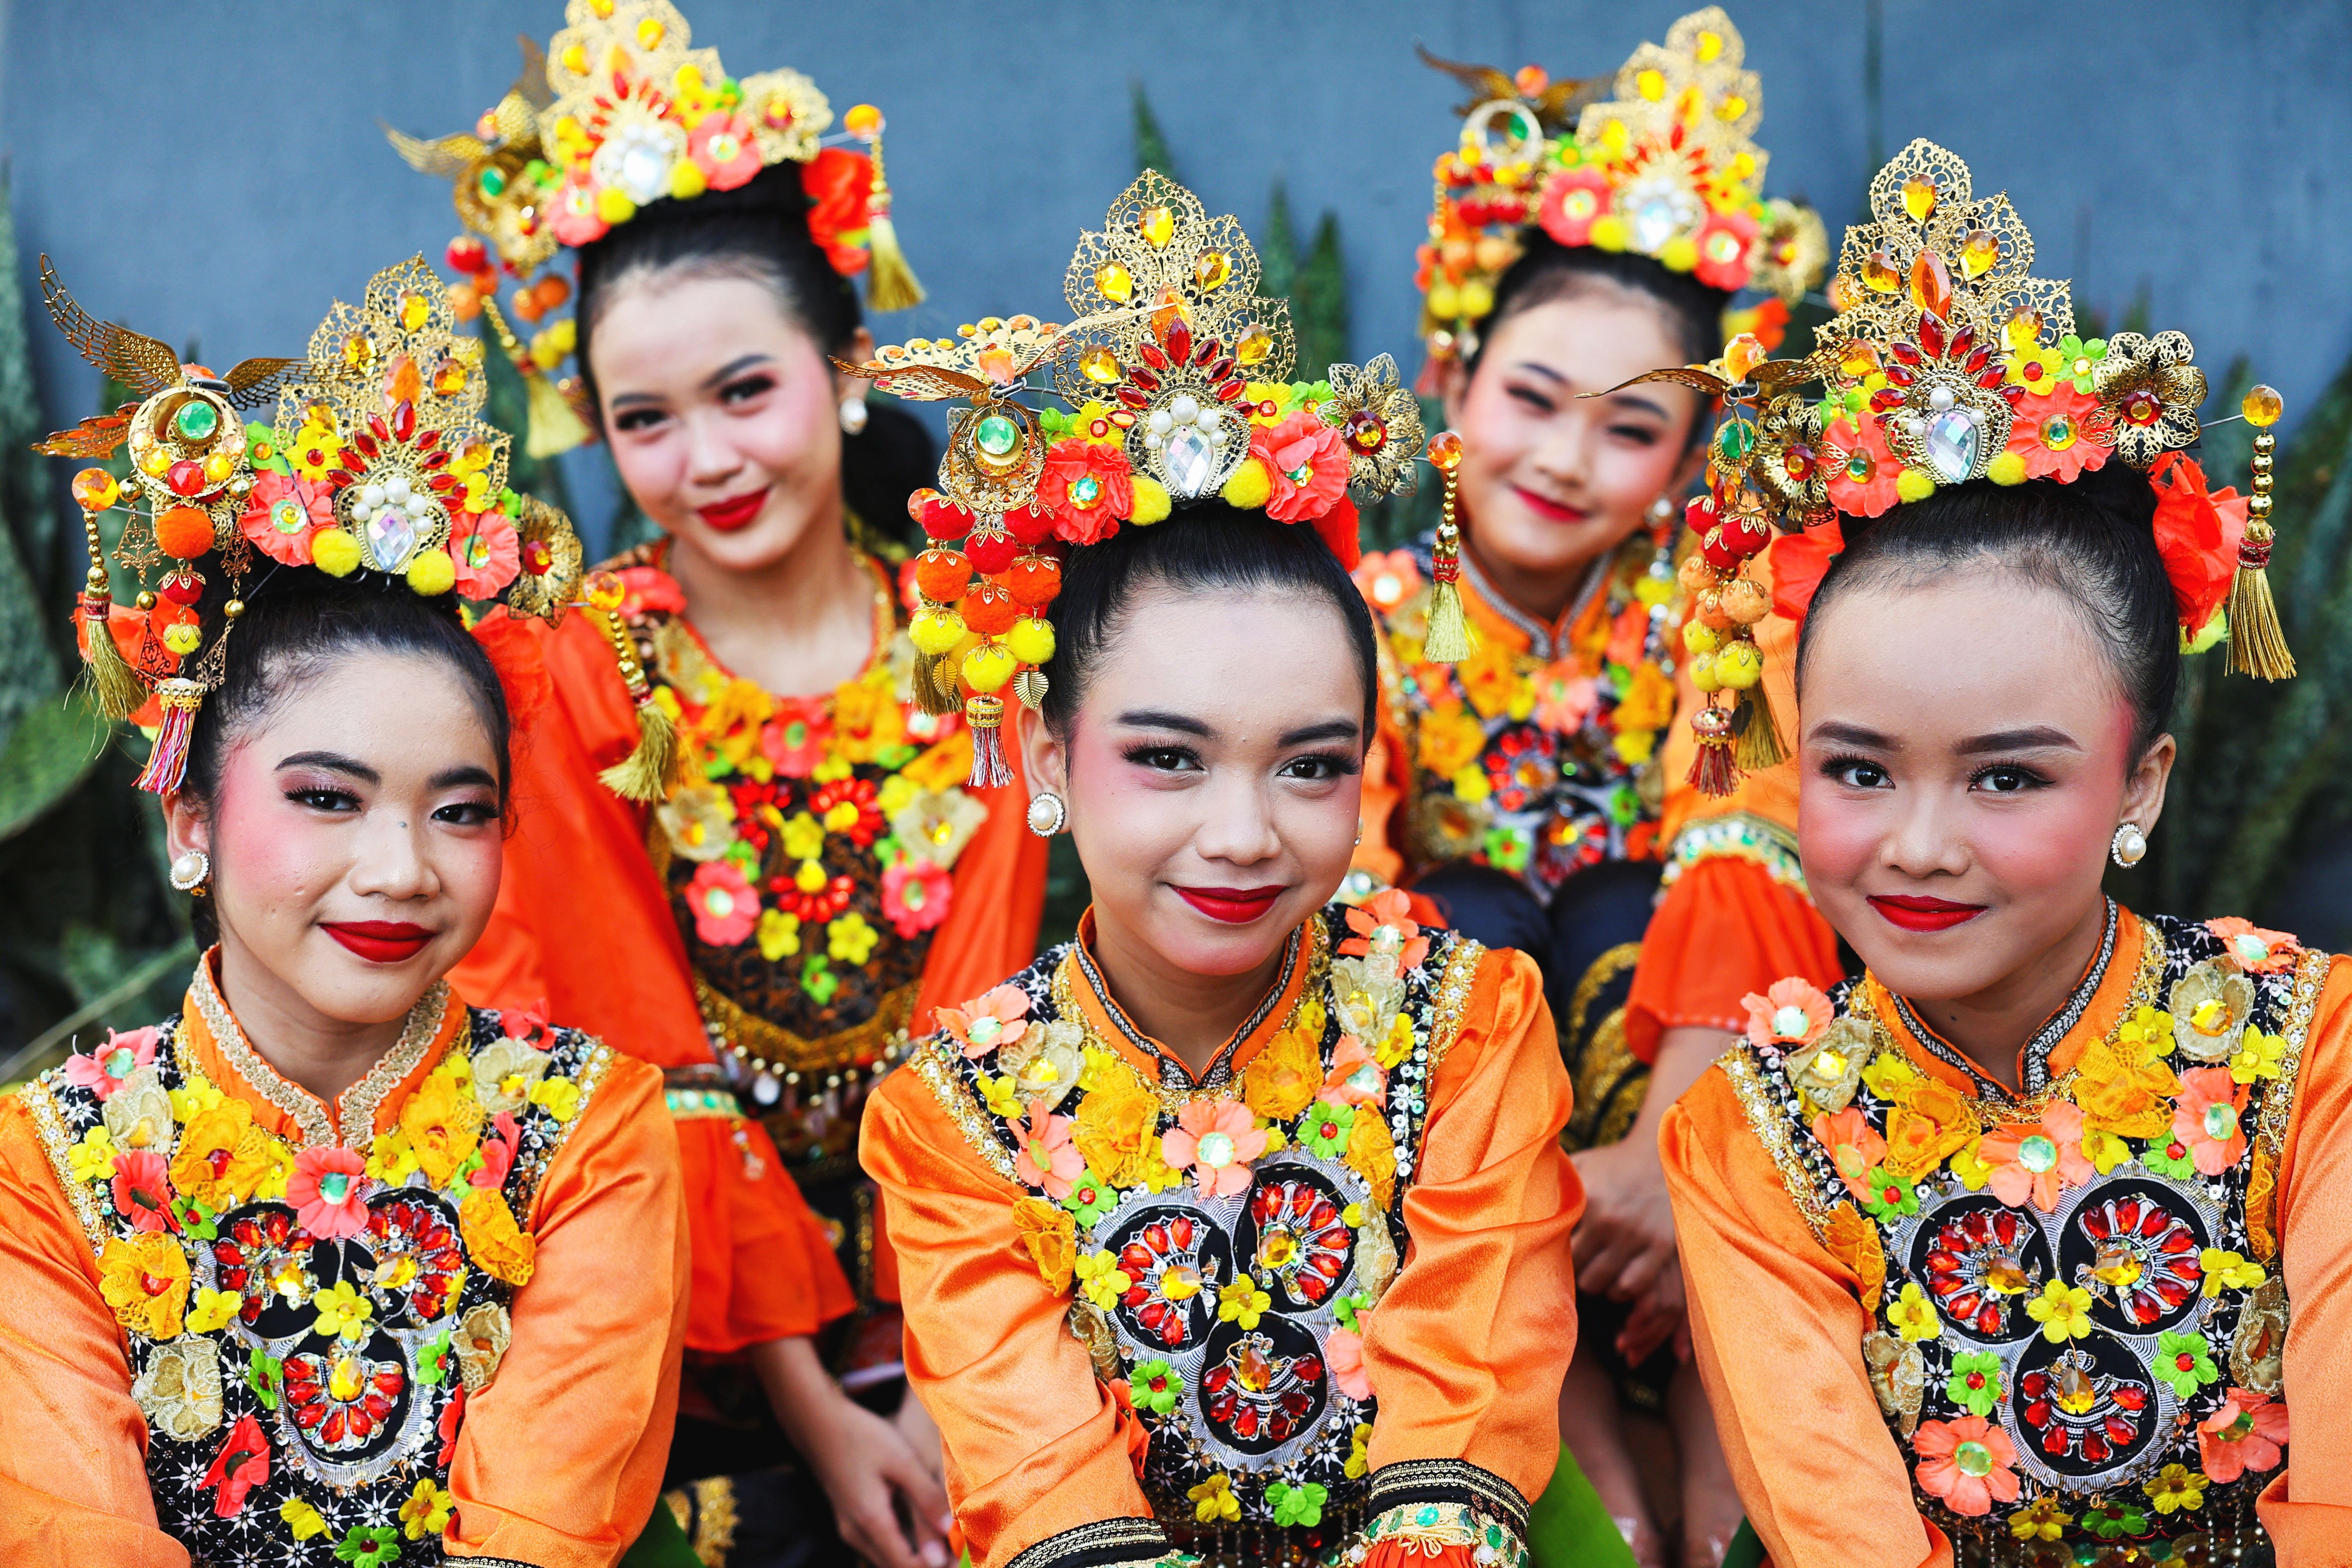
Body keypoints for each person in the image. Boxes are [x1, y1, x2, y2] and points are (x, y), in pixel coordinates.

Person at [852, 173, 1590, 1568]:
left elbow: (1469, 1397)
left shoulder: (1466, 1023)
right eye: (1169, 758)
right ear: (1049, 751)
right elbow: (1041, 1479)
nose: (1244, 833)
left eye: (1309, 765)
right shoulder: (950, 1116)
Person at [392, 7, 1044, 1562]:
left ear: (846, 367)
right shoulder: (580, 666)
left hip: (991, 1240)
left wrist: (945, 1373)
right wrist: (822, 1406)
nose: (705, 460)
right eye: (645, 420)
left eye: (744, 390)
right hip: (684, 1289)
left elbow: (992, 1024)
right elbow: (624, 1046)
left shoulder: (981, 634)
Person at [1661, 137, 2343, 1565]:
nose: (1917, 845)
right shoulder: (1750, 1134)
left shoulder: (2315, 1055)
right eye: (1857, 769)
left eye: (2006, 776)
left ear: (2139, 781)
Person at [0, 261, 687, 1565]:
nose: (402, 868)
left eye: (460, 810)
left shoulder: (589, 1129)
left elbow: (538, 1529)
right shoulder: (41, 1167)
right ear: (189, 816)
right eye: (327, 797)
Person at [1369, 13, 1838, 1561]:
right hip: (1465, 1128)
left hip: (1691, 1095)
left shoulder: (1721, 616)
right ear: (1450, 376)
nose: (1567, 458)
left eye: (1629, 424)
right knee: (1459, 919)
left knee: (1639, 898)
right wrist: (1547, 1189)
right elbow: (1344, 889)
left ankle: (1718, 1464)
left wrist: (1657, 1162)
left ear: (1691, 453)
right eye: (1532, 397)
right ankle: (1571, 1446)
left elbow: (1747, 854)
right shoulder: (1358, 622)